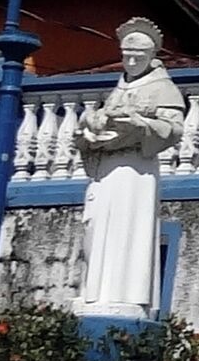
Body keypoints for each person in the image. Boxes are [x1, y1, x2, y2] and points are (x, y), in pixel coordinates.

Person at [73, 17, 185, 317]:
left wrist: (142, 124)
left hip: (135, 169)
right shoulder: (119, 87)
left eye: (139, 56)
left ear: (152, 57)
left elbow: (173, 128)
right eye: (127, 55)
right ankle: (95, 293)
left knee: (128, 228)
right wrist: (90, 123)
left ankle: (126, 295)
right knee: (96, 229)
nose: (132, 60)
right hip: (106, 169)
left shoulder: (163, 88)